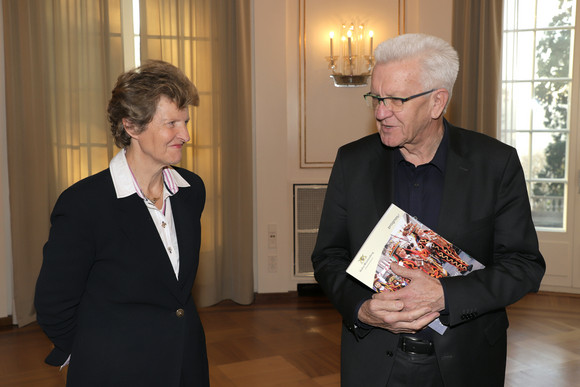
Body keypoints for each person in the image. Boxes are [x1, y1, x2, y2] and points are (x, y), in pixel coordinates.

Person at [311, 33, 546, 387]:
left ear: (437, 103)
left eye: (395, 100)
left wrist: (445, 295)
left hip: (467, 361)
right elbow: (328, 256)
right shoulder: (352, 162)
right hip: (374, 359)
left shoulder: (495, 164)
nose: (380, 112)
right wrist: (361, 308)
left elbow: (524, 266)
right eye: (375, 97)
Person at [34, 60, 209, 386]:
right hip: (116, 370)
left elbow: (176, 294)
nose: (185, 135)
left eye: (185, 121)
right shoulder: (83, 204)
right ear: (131, 127)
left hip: (186, 363)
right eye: (171, 123)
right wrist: (94, 353)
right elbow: (53, 304)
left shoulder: (191, 191)